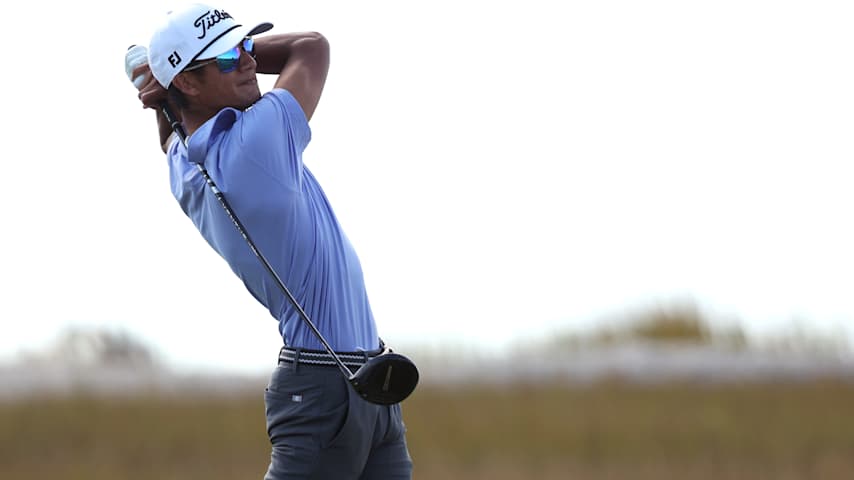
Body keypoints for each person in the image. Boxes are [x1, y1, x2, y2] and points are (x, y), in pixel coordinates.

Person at [129, 3, 413, 478]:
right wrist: (163, 83)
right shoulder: (256, 141)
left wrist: (168, 85)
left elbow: (173, 130)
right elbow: (311, 47)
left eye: (245, 45)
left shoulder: (185, 163)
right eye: (224, 58)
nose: (246, 61)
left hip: (362, 382)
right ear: (187, 83)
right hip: (325, 389)